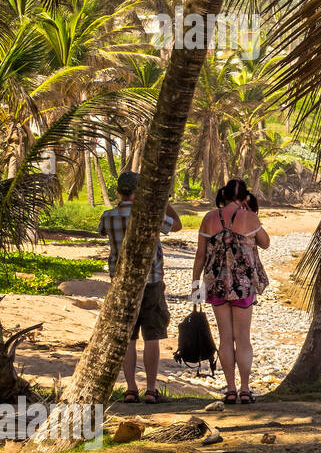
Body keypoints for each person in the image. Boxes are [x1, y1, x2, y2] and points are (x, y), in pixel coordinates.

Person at [97, 170, 183, 404]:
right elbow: (177, 225)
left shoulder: (109, 216)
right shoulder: (150, 215)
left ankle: (131, 388)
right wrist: (162, 202)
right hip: (151, 280)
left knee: (129, 337)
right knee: (152, 335)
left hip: (121, 283)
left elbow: (102, 231)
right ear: (140, 192)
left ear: (119, 192)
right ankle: (151, 389)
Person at [193, 179, 270, 404]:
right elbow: (265, 243)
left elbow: (200, 255)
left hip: (216, 284)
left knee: (225, 337)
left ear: (223, 195)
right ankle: (245, 389)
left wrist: (195, 284)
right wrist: (250, 216)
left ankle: (230, 389)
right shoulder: (249, 217)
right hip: (243, 286)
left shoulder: (209, 218)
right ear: (244, 197)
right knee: (243, 339)